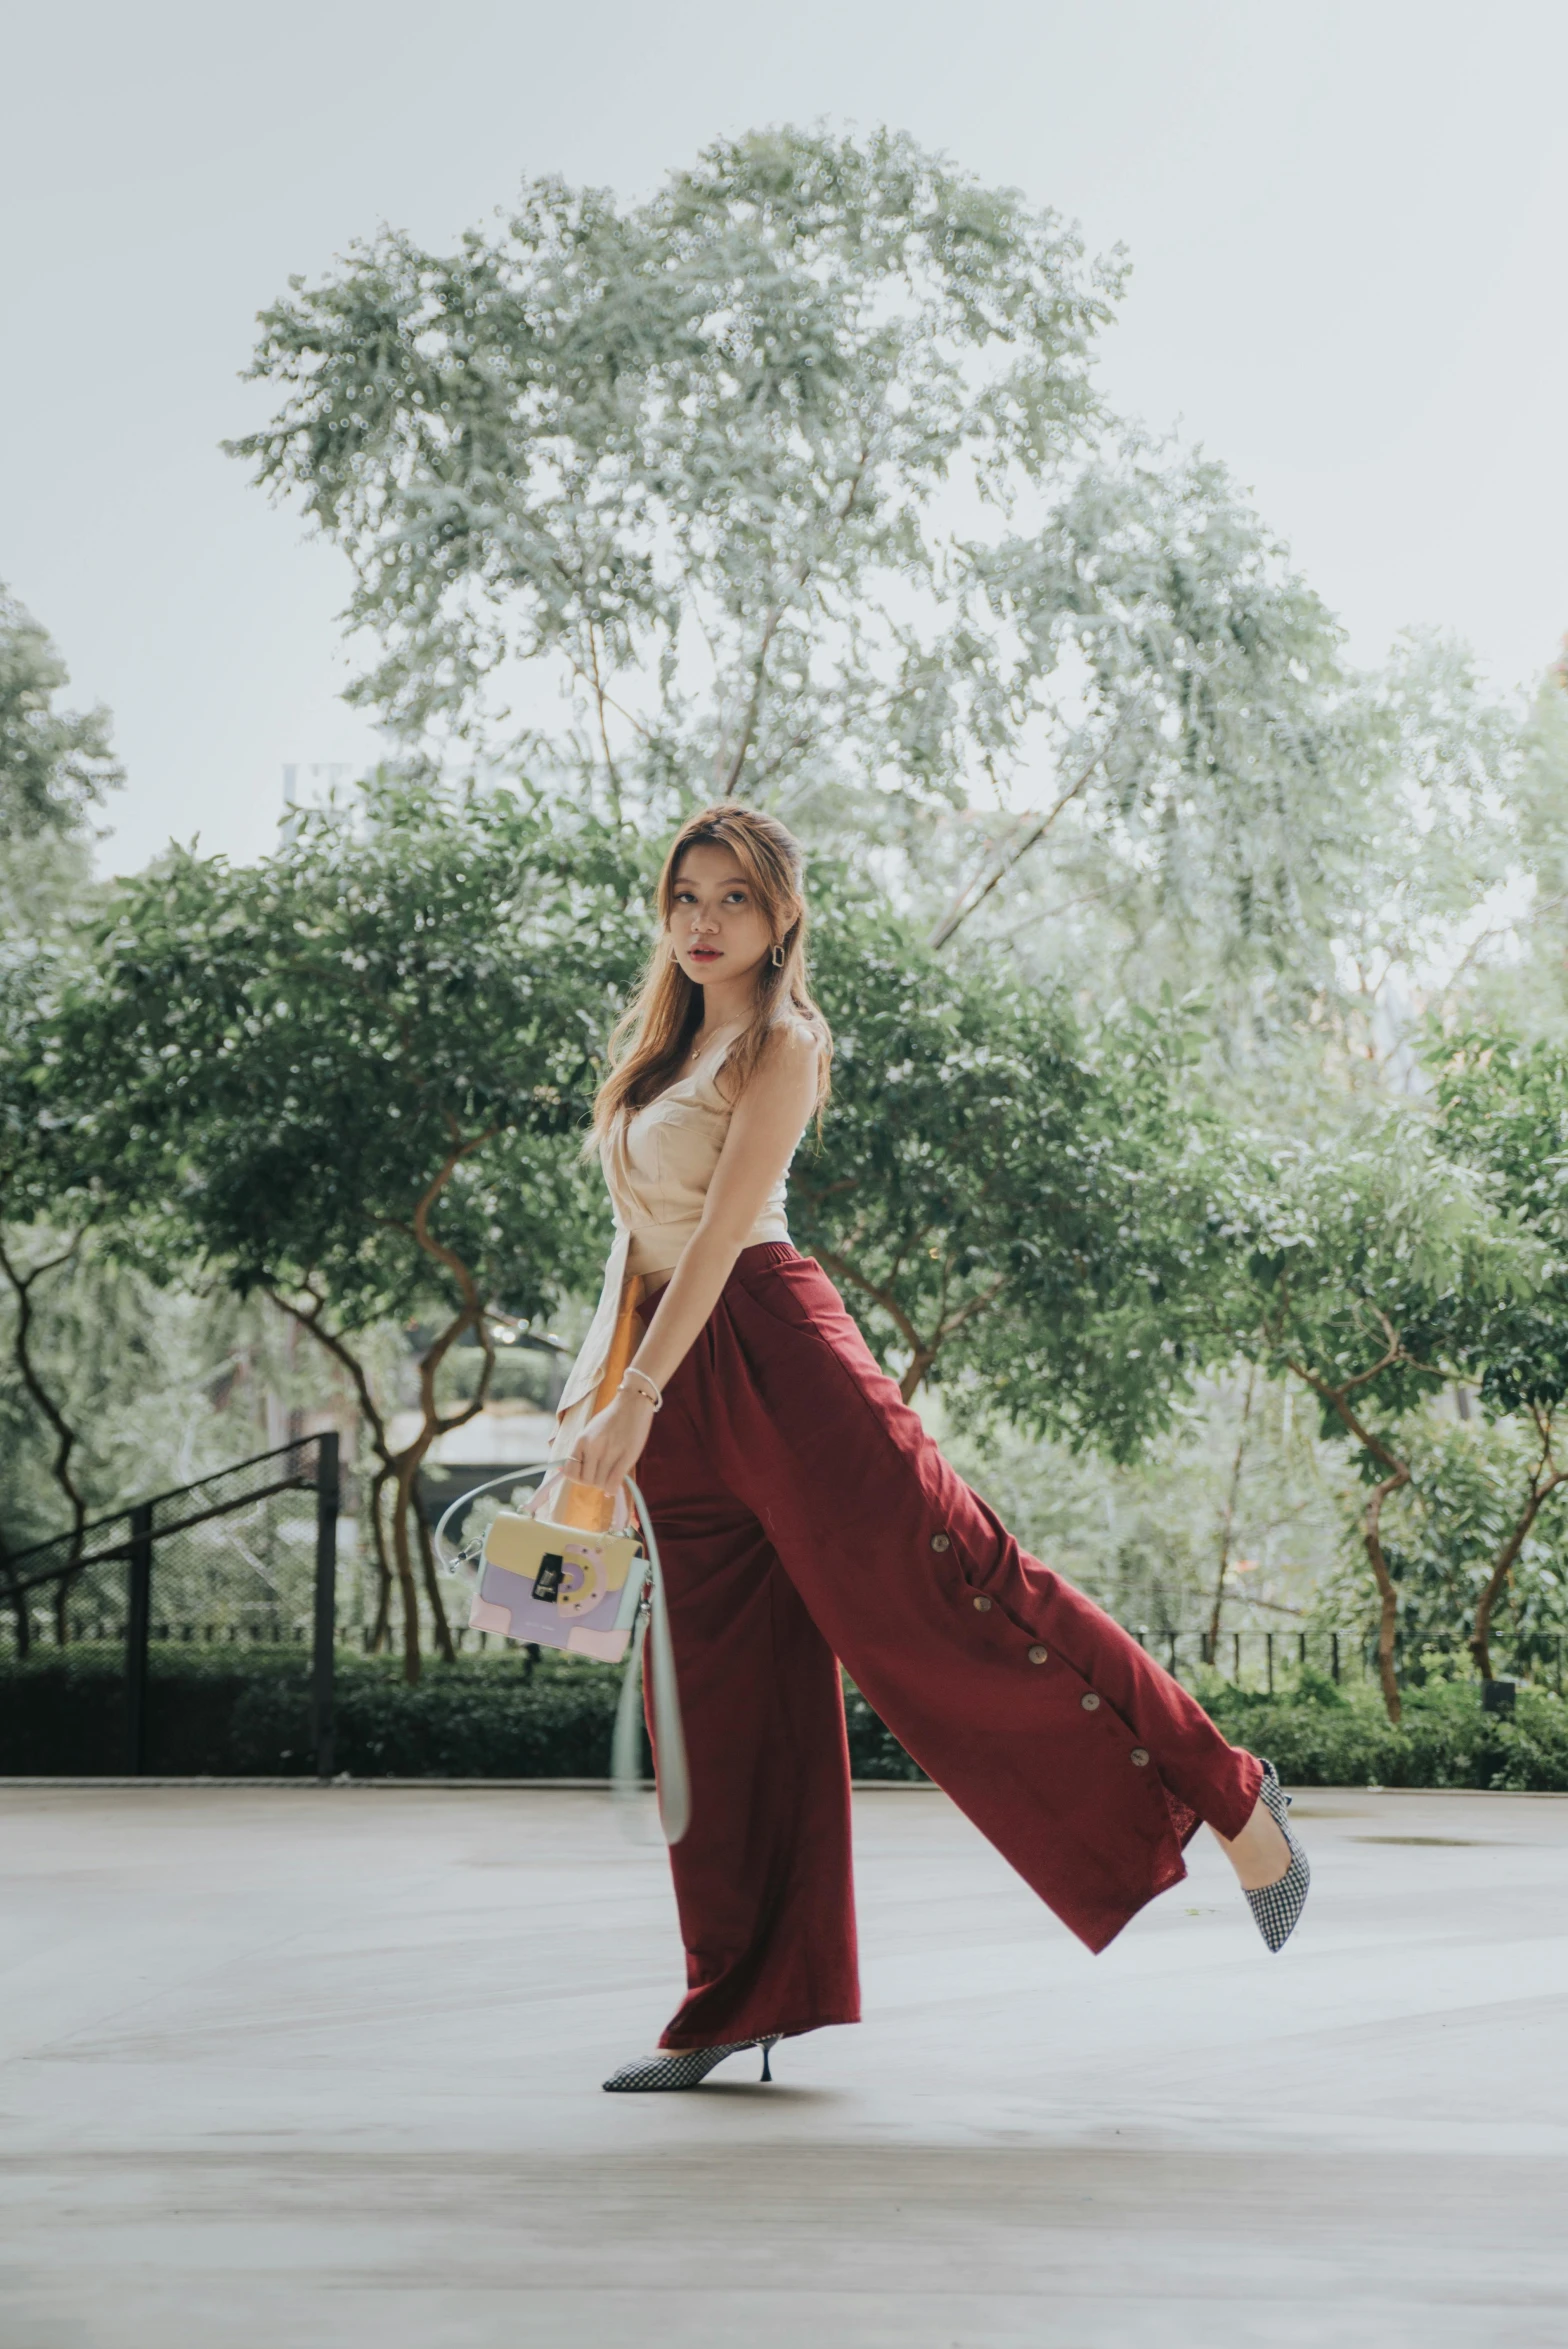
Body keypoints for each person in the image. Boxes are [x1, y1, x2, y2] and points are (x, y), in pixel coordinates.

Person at [550, 801, 1309, 2094]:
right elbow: (642, 1242)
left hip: (774, 1355)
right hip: (668, 1380)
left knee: (963, 1594)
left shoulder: (783, 1042)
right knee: (717, 1698)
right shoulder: (658, 1045)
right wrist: (599, 1397)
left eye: (733, 897)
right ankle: (740, 1997)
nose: (703, 921)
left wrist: (644, 1394)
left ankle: (1229, 1794)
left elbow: (730, 1231)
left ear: (781, 911)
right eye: (686, 895)